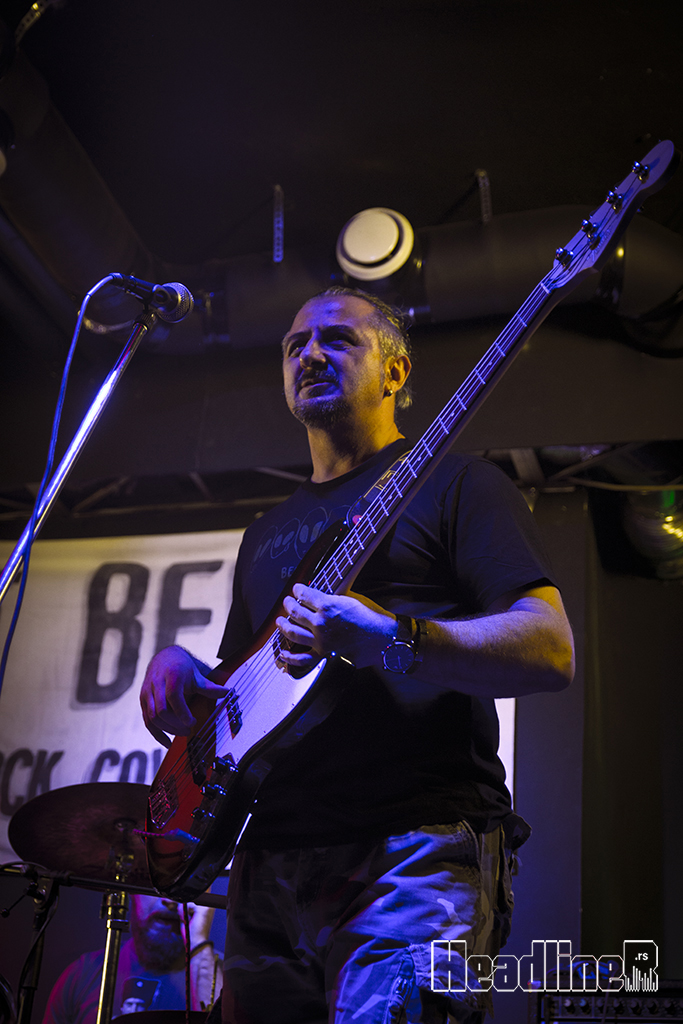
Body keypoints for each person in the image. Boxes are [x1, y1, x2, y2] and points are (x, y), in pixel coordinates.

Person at [140, 287, 575, 1024]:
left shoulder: (459, 484)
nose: (309, 353)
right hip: (270, 863)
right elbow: (246, 686)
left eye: (337, 339)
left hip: (412, 852)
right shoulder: (265, 531)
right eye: (294, 345)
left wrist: (394, 638)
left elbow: (550, 649)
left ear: (394, 372)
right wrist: (181, 670)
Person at [42, 894, 222, 1024]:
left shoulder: (227, 978)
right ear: (132, 893)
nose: (169, 900)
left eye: (180, 889)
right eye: (155, 887)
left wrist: (199, 942)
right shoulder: (82, 974)